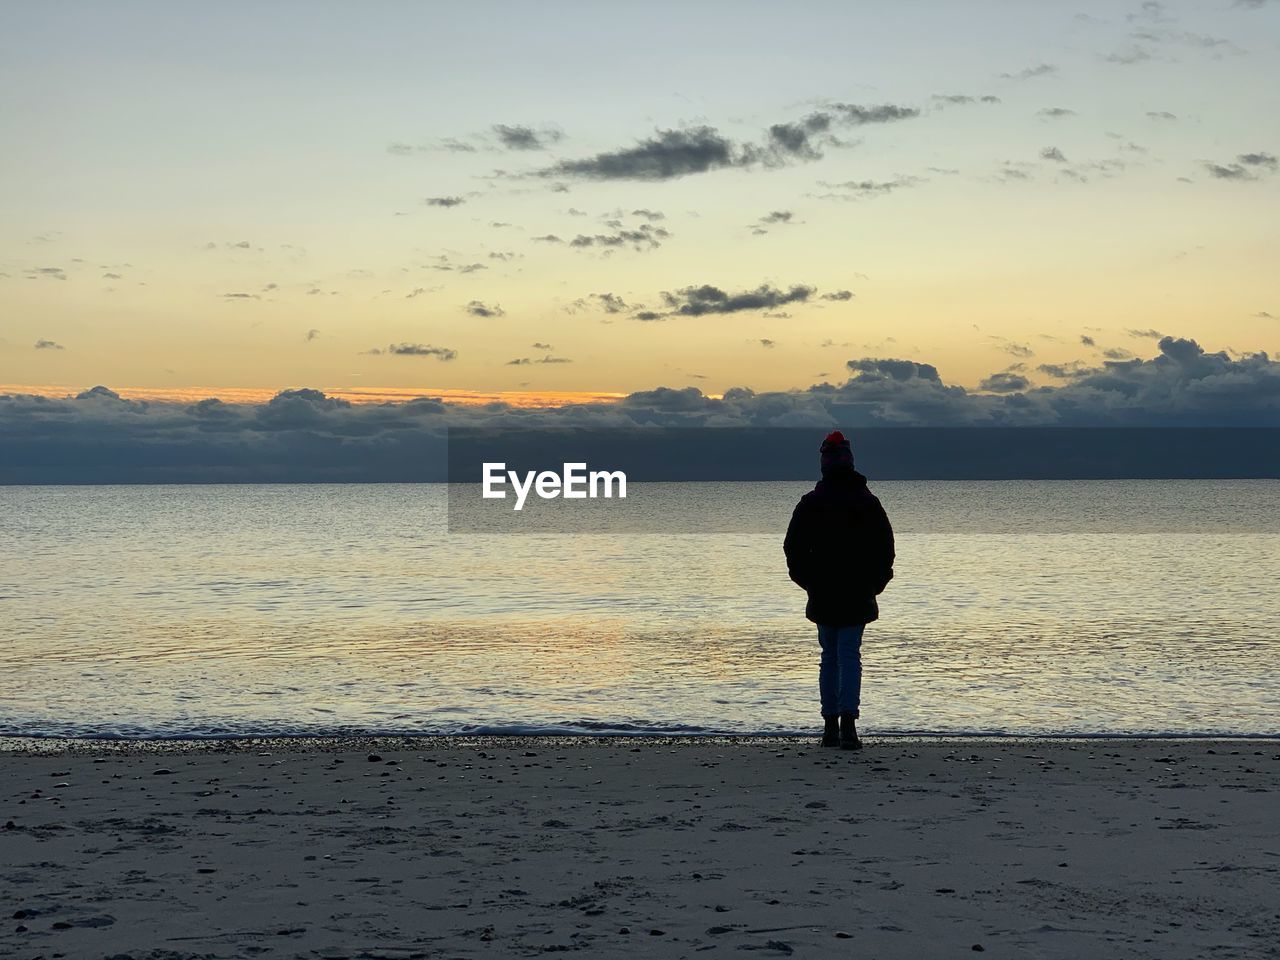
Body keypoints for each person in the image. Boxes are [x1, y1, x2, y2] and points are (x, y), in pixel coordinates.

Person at [783, 430, 895, 750]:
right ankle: (845, 725)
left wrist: (807, 582)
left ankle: (833, 725)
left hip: (830, 589)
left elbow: (793, 550)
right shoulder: (866, 501)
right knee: (846, 655)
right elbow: (885, 548)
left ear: (825, 464)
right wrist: (876, 582)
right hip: (852, 590)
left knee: (832, 656)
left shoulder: (813, 502)